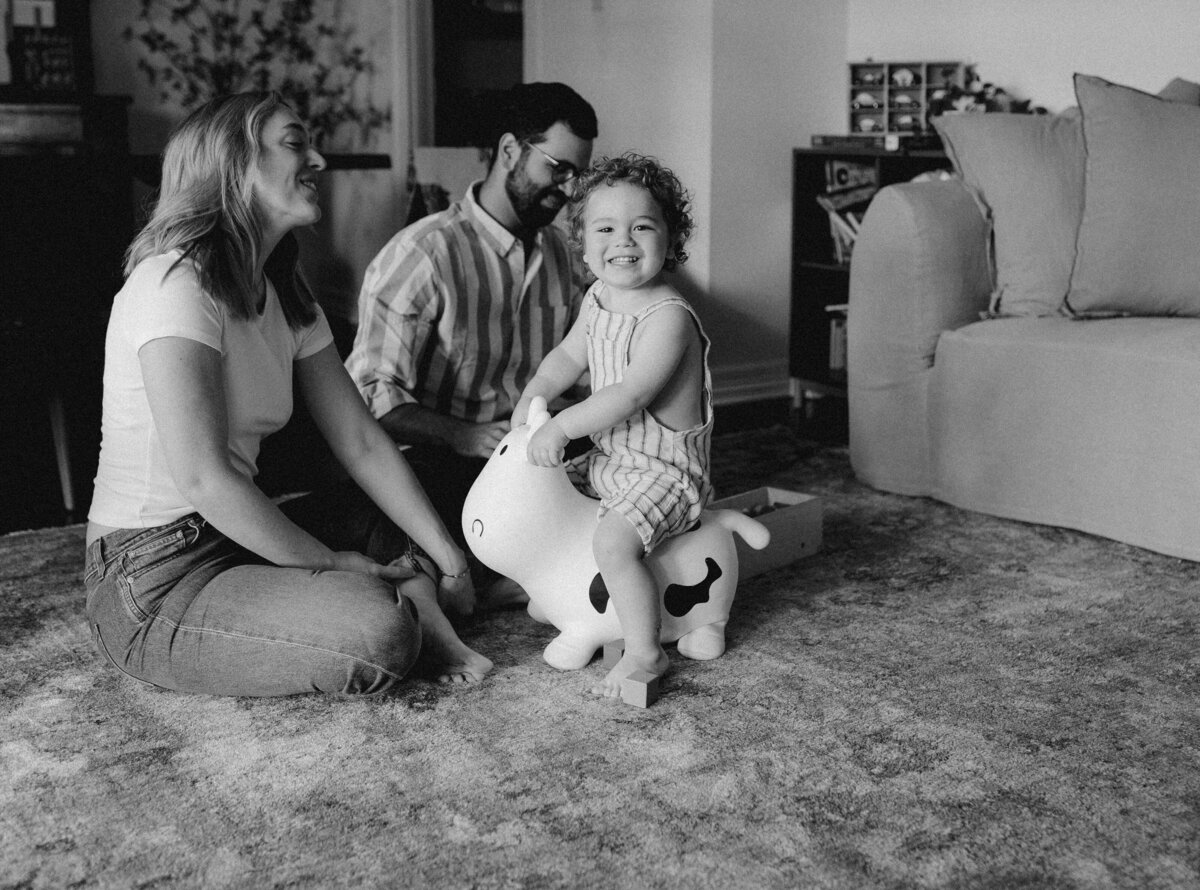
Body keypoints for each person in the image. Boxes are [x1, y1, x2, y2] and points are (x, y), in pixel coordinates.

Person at [83, 92, 492, 698]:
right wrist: (329, 561)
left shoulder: (286, 294)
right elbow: (204, 479)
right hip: (154, 572)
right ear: (233, 163)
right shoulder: (172, 283)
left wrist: (450, 556)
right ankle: (408, 606)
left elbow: (362, 443)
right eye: (296, 143)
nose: (319, 160)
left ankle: (425, 590)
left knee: (406, 497)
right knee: (378, 638)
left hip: (239, 532)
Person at [343, 82, 597, 598]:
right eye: (559, 168)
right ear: (509, 151)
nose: (570, 190)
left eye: (579, 175)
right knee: (413, 527)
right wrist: (462, 435)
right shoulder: (422, 253)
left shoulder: (567, 258)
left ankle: (516, 568)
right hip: (445, 458)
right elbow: (371, 394)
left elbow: (593, 363)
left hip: (538, 451)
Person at [512, 153, 712, 700]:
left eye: (642, 227)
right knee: (546, 497)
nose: (623, 240)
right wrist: (535, 395)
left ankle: (646, 652)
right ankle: (562, 596)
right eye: (605, 228)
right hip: (610, 458)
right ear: (582, 242)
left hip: (663, 471)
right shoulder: (598, 297)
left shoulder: (667, 317)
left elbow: (630, 394)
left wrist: (562, 427)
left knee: (613, 543)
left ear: (671, 241)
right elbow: (565, 358)